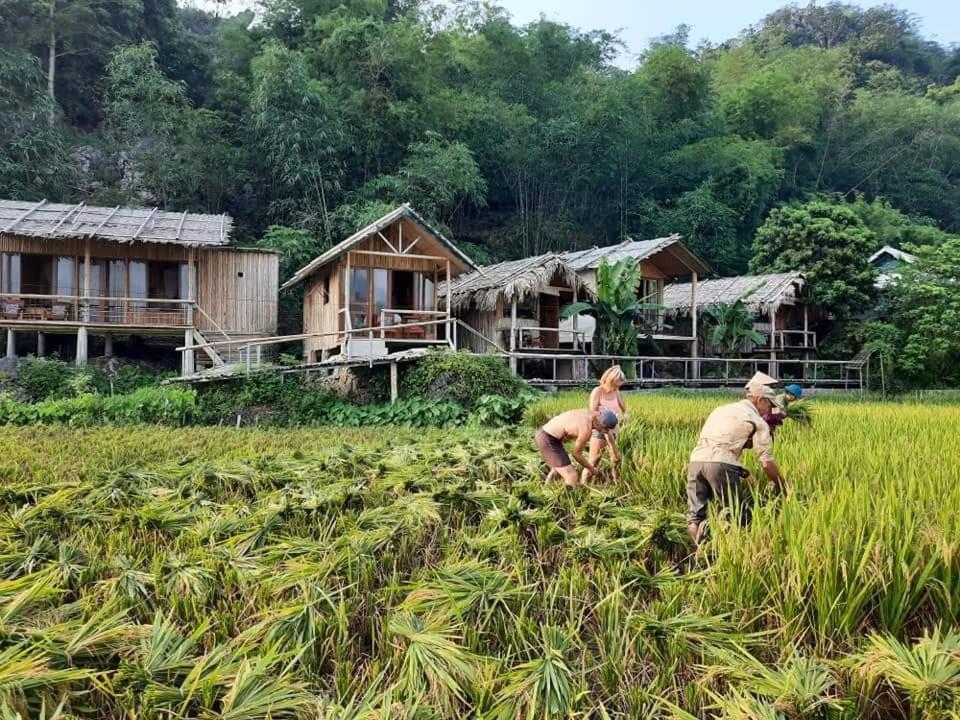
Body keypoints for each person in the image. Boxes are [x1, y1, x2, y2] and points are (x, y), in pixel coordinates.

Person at [686, 381, 787, 545]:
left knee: (696, 517)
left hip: (696, 461)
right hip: (721, 465)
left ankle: (696, 555)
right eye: (769, 405)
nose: (769, 411)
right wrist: (783, 486)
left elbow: (727, 438)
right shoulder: (756, 419)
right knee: (736, 516)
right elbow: (766, 463)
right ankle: (734, 554)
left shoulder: (721, 409)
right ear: (760, 399)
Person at [536, 409, 619, 487]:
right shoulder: (586, 429)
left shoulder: (594, 414)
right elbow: (576, 454)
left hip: (550, 436)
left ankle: (546, 490)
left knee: (558, 468)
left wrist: (614, 451)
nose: (604, 432)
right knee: (572, 476)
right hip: (548, 439)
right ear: (599, 424)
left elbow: (608, 433)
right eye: (604, 430)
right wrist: (591, 469)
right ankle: (569, 500)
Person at [582, 365, 628, 483]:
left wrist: (624, 416)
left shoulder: (616, 392)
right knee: (593, 461)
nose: (617, 387)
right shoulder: (598, 391)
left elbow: (624, 410)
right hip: (600, 431)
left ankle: (615, 484)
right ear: (610, 380)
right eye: (616, 384)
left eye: (619, 385)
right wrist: (606, 416)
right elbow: (592, 412)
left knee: (614, 460)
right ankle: (582, 485)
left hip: (614, 431)